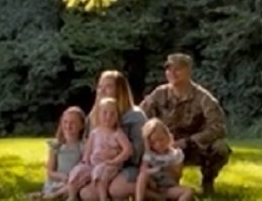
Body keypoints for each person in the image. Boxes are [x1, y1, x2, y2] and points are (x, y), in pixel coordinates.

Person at [140, 53, 230, 196]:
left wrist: (188, 141)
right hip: (162, 145)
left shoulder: (203, 97)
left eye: (178, 69)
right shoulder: (159, 94)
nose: (172, 73)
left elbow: (218, 128)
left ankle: (207, 182)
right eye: (169, 69)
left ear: (189, 71)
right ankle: (147, 185)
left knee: (220, 148)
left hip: (192, 147)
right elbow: (140, 116)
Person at [79, 70, 147, 201]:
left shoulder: (135, 116)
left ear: (120, 90)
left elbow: (139, 152)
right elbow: (86, 143)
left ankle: (153, 191)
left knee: (116, 190)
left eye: (108, 86)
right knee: (87, 195)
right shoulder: (94, 116)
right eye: (100, 87)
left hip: (129, 166)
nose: (102, 90)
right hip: (100, 166)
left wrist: (114, 154)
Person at [68, 98, 133, 201]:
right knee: (77, 171)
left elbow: (128, 150)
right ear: (99, 114)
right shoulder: (95, 132)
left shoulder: (117, 133)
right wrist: (85, 161)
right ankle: (72, 196)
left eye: (112, 114)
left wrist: (115, 161)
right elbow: (89, 149)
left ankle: (103, 198)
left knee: (99, 173)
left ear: (117, 117)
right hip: (92, 164)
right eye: (105, 113)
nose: (108, 117)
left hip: (109, 164)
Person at [30, 107, 86, 199]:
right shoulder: (56, 146)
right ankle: (51, 194)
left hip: (73, 182)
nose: (68, 126)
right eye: (65, 122)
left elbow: (84, 167)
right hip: (57, 181)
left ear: (81, 125)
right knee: (69, 188)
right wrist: (62, 177)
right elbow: (49, 172)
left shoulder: (83, 147)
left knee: (78, 185)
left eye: (73, 123)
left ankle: (50, 196)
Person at [136, 118, 193, 201]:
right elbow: (143, 170)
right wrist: (151, 180)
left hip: (168, 188)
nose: (159, 144)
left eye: (161, 139)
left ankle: (165, 198)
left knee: (188, 192)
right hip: (153, 186)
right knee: (142, 176)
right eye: (153, 142)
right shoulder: (150, 155)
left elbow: (177, 175)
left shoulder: (175, 154)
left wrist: (169, 167)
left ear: (168, 137)